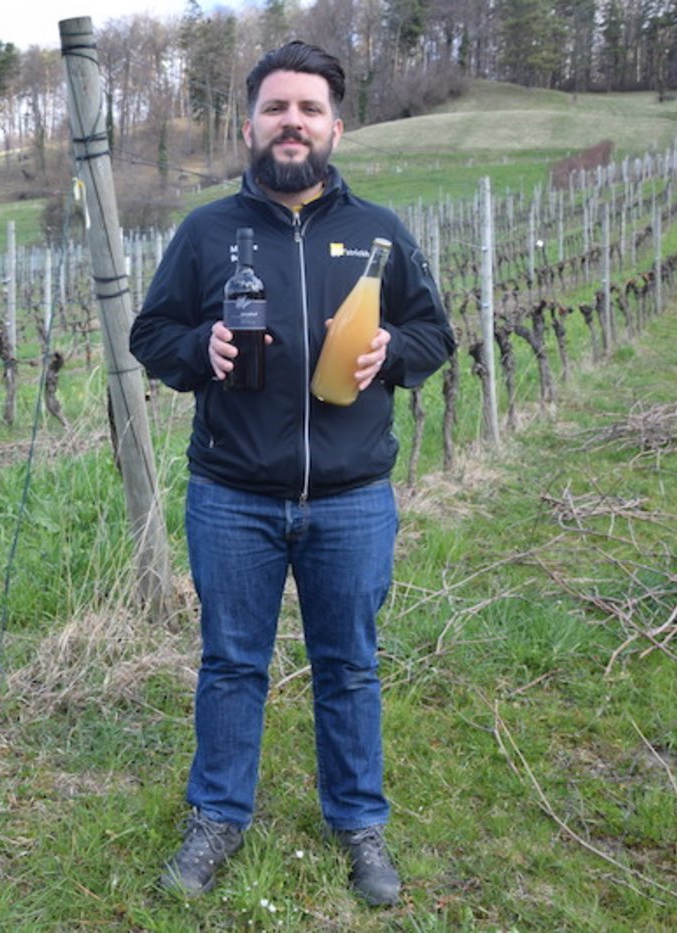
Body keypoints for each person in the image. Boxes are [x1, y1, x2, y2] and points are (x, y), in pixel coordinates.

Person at [128, 40, 455, 907]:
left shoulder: (379, 232)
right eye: (276, 107)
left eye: (310, 109)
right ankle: (217, 817)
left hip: (352, 498)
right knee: (231, 663)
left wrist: (392, 351)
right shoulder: (206, 233)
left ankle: (358, 821)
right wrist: (199, 348)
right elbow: (150, 336)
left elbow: (436, 334)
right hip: (232, 494)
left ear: (336, 127)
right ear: (249, 126)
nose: (292, 122)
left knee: (348, 665)